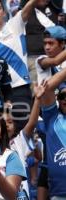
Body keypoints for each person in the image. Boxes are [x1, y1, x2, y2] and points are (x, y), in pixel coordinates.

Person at [0, 0, 37, 131]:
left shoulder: (14, 24)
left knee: (24, 132)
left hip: (20, 89)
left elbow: (29, 5)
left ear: (4, 12)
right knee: (1, 133)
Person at [39, 51, 66, 199]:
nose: (65, 99)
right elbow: (47, 89)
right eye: (62, 96)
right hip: (58, 194)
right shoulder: (52, 117)